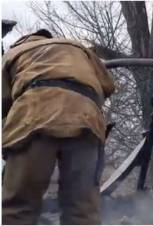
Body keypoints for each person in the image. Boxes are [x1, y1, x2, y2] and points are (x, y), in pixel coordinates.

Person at [2, 29, 115, 224]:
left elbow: (3, 102)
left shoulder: (13, 54)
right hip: (86, 122)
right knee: (82, 210)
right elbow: (108, 85)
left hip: (33, 118)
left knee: (19, 208)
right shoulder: (79, 49)